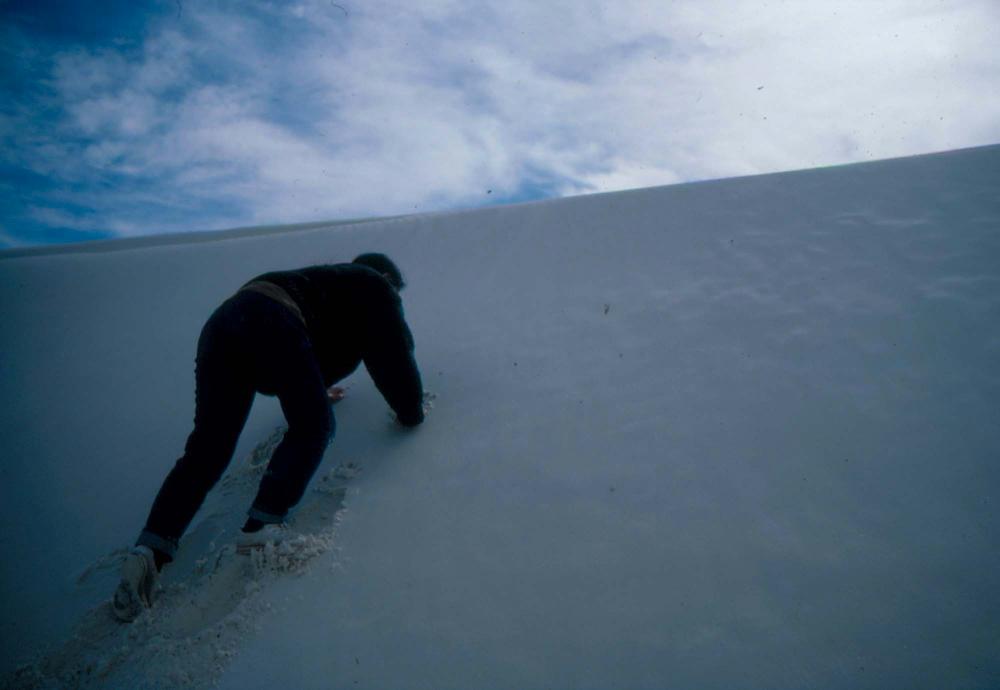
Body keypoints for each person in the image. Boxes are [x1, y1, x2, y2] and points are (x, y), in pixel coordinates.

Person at [112, 253, 425, 622]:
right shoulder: (374, 285)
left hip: (224, 325)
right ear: (386, 279)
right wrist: (411, 413)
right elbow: (392, 353)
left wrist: (317, 389)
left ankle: (148, 553)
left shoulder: (324, 287)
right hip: (269, 320)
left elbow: (307, 354)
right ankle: (260, 529)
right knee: (314, 427)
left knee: (208, 449)